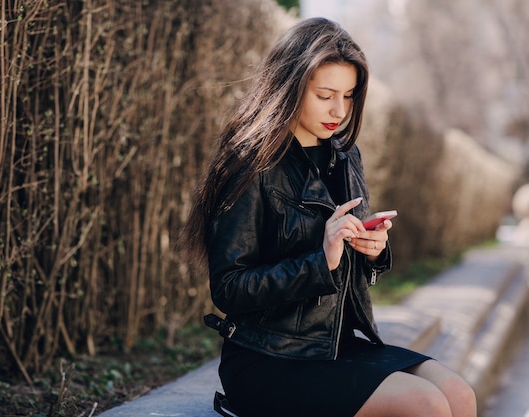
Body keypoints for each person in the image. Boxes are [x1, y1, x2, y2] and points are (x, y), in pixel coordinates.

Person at [181, 17, 477, 417]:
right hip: (268, 357)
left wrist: (371, 251)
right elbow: (230, 287)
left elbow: (348, 257)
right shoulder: (250, 163)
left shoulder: (345, 155)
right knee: (424, 404)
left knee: (459, 395)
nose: (339, 110)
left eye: (349, 96)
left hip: (337, 344)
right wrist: (320, 262)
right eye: (325, 95)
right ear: (290, 86)